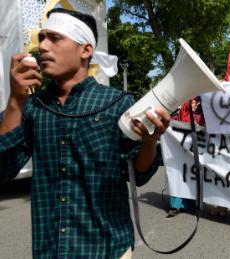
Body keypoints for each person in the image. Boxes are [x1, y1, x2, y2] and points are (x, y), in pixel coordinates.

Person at [0, 8, 170, 258]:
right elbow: (4, 169)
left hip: (107, 248)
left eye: (55, 38)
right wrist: (15, 100)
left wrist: (150, 140)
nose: (42, 46)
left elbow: (139, 174)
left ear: (85, 50)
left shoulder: (118, 103)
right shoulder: (34, 106)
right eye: (43, 37)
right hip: (51, 249)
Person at [168, 97, 203, 217]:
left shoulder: (197, 116)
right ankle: (176, 206)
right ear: (187, 104)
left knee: (190, 178)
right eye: (193, 103)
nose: (196, 105)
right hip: (178, 154)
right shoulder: (180, 116)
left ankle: (189, 205)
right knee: (178, 177)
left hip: (191, 154)